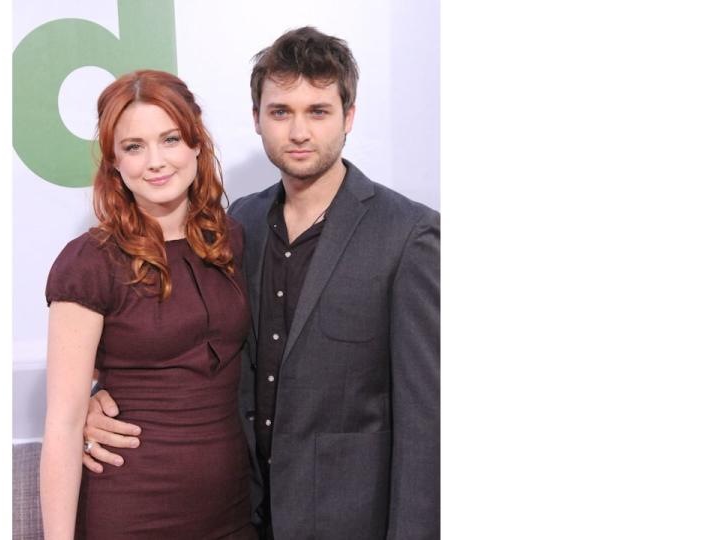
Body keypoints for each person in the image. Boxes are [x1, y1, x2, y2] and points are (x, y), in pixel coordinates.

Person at [83, 27, 440, 539]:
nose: (299, 132)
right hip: (239, 513)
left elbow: (427, 421)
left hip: (350, 521)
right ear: (256, 119)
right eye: (280, 112)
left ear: (349, 117)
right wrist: (97, 399)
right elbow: (188, 341)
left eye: (318, 111)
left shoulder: (408, 234)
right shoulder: (235, 227)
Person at [40, 69, 256, 540]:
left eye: (170, 139)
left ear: (197, 144)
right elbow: (62, 424)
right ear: (114, 162)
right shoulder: (90, 262)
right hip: (132, 511)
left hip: (233, 511)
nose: (155, 161)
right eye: (134, 146)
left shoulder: (232, 241)